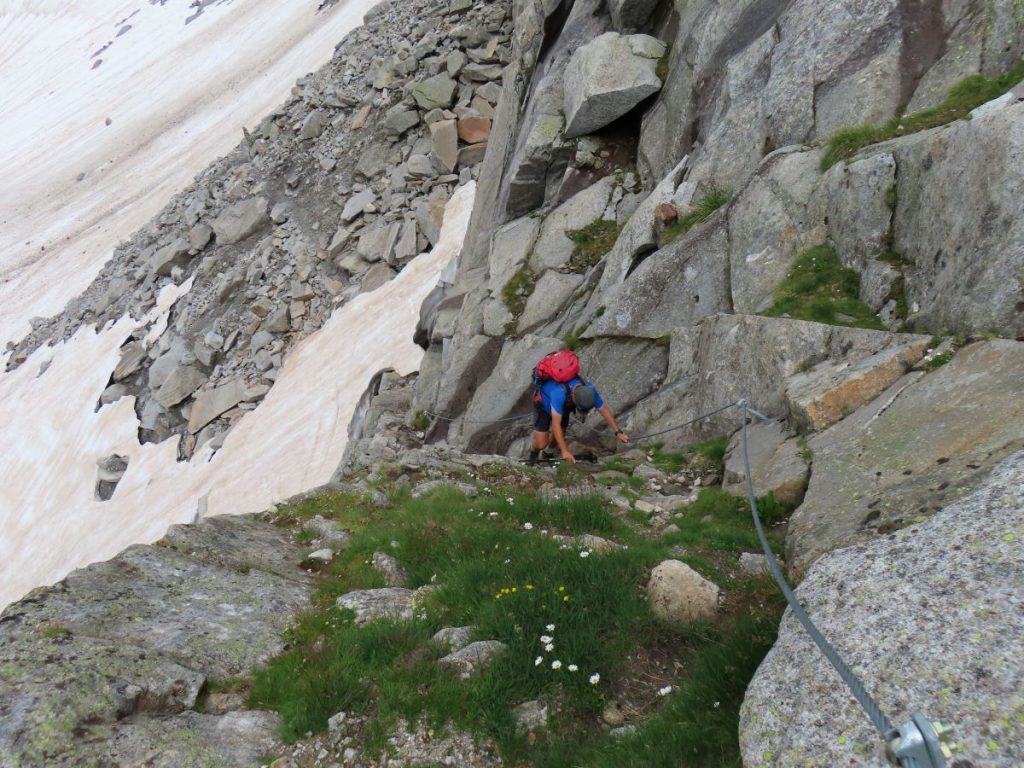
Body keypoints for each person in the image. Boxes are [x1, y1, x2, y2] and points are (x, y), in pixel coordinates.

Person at [530, 376, 629, 463]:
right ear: (574, 398)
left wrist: (618, 432)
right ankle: (533, 453)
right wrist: (565, 451)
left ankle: (548, 453)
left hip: (564, 407)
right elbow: (556, 425)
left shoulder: (590, 389)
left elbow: (603, 409)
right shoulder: (559, 394)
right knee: (541, 444)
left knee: (558, 437)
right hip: (543, 405)